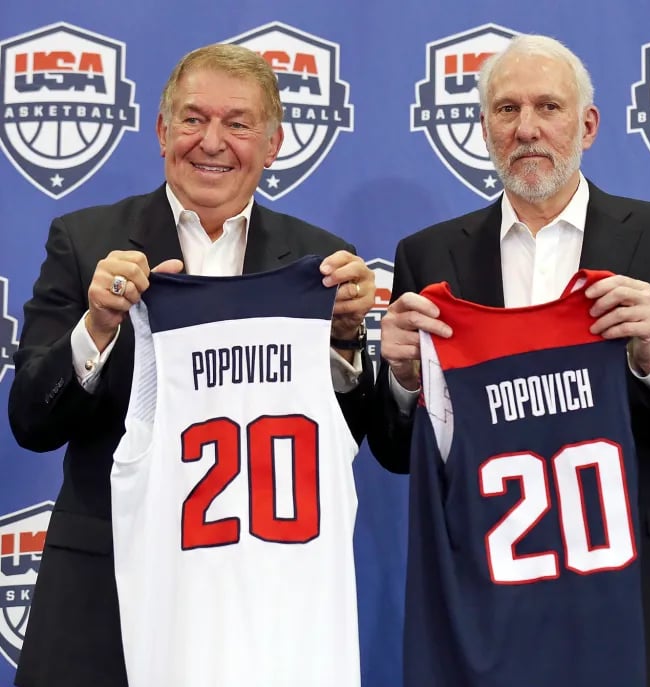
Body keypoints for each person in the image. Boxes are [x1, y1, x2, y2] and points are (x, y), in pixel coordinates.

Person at [366, 34, 650, 687]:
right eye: (507, 109)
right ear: (484, 128)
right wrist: (404, 381)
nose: (527, 128)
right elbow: (398, 452)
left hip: (639, 590)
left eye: (548, 106)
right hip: (491, 588)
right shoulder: (429, 258)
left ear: (588, 125)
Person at [8, 44, 375, 687]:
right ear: (161, 131)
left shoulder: (319, 262)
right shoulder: (85, 242)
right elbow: (30, 421)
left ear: (273, 144)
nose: (211, 142)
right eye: (193, 119)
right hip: (105, 589)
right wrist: (97, 327)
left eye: (237, 124)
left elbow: (343, 438)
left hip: (263, 592)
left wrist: (345, 340)